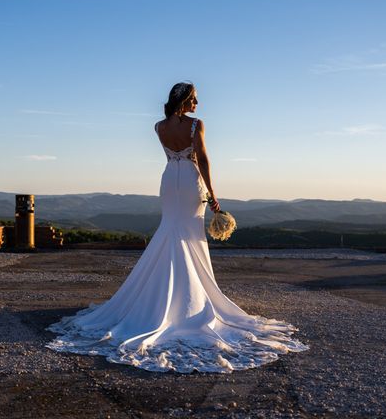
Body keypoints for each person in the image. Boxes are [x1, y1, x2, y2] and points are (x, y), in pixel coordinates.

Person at [45, 82, 309, 373]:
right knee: (189, 235)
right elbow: (203, 159)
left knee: (170, 230)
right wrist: (213, 195)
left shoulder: (158, 127)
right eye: (195, 98)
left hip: (170, 179)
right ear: (185, 100)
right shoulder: (196, 126)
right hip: (191, 181)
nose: (198, 102)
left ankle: (155, 299)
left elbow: (174, 153)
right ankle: (188, 303)